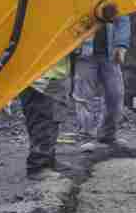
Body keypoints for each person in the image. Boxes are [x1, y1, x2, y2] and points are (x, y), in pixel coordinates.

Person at [73, 13, 131, 151]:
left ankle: (107, 134)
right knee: (84, 97)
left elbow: (123, 19)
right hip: (85, 53)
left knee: (116, 95)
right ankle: (87, 136)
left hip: (110, 53)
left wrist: (121, 45)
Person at [20, 56, 72, 180]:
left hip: (53, 74)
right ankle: (37, 167)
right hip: (39, 78)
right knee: (42, 122)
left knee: (52, 121)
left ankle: (49, 160)